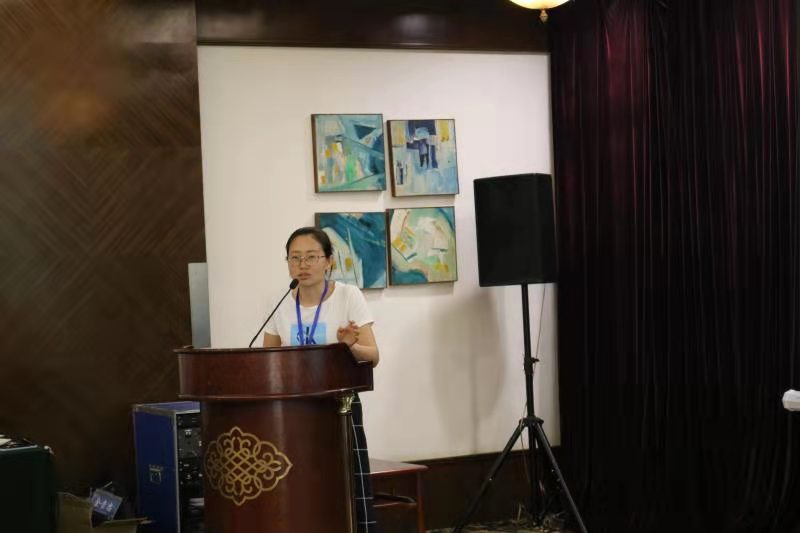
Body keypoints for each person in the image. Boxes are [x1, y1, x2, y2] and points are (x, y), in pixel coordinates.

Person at [263, 226, 380, 532]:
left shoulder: (347, 296)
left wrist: (348, 346)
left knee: (344, 485)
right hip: (292, 410)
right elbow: (267, 361)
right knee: (300, 488)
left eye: (311, 257)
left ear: (328, 261)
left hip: (339, 407)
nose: (303, 265)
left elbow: (373, 356)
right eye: (295, 258)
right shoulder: (280, 303)